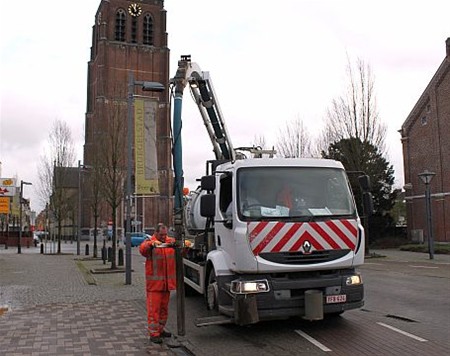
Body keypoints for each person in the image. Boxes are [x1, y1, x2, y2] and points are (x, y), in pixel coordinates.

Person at [139, 223, 176, 344]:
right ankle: (154, 334)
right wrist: (151, 244)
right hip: (154, 285)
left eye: (165, 234)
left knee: (164, 310)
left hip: (166, 284)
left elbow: (179, 251)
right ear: (156, 233)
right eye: (161, 235)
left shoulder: (169, 241)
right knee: (154, 310)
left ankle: (160, 330)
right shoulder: (150, 242)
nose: (164, 237)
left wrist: (185, 246)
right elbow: (142, 249)